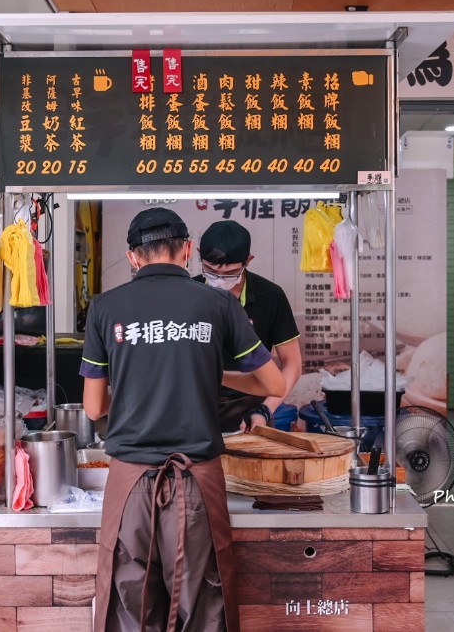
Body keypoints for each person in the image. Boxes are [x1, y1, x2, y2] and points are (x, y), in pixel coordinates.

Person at [80, 207, 285, 631]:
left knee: (128, 603)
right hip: (197, 481)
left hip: (130, 483)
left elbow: (94, 408)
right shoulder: (219, 304)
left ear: (132, 257)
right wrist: (210, 374)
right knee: (202, 603)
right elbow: (274, 384)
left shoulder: (105, 308)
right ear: (188, 250)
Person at [197, 219, 302, 432]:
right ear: (198, 253)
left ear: (248, 260)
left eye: (229, 273)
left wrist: (266, 409)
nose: (218, 280)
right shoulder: (188, 294)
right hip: (196, 405)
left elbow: (292, 363)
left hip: (251, 408)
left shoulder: (270, 297)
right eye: (210, 270)